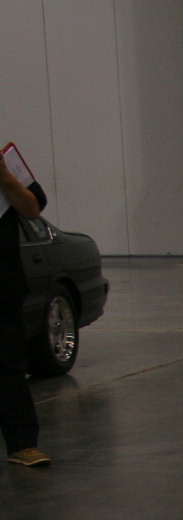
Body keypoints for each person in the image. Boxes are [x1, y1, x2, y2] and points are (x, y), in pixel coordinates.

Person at [1, 148, 49, 467]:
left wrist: (4, 176)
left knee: (8, 367)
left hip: (3, 286)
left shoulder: (9, 163)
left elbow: (32, 209)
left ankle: (22, 444)